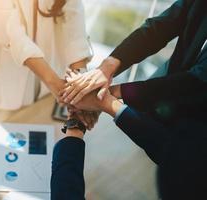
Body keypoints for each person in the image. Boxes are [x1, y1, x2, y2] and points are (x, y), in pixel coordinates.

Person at [51, 0, 207, 199]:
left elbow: (196, 82)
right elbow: (160, 27)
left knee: (181, 173)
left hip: (197, 129)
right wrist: (107, 68)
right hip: (162, 98)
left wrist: (107, 97)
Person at [0, 0, 98, 127]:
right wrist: (58, 86)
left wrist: (80, 88)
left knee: (44, 140)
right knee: (1, 141)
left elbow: (75, 29)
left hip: (51, 85)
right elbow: (11, 34)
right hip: (5, 83)